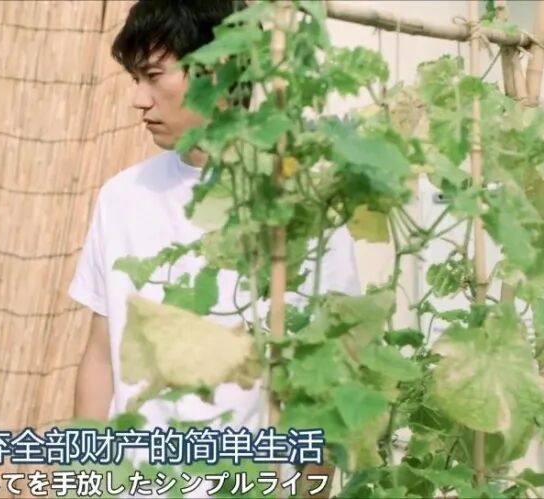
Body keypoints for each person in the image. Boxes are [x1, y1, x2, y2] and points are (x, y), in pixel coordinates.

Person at [69, 0, 361, 447]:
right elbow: (100, 358)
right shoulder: (121, 197)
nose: (138, 100)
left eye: (153, 76)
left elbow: (333, 369)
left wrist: (309, 481)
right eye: (135, 79)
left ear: (217, 69)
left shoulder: (301, 202)